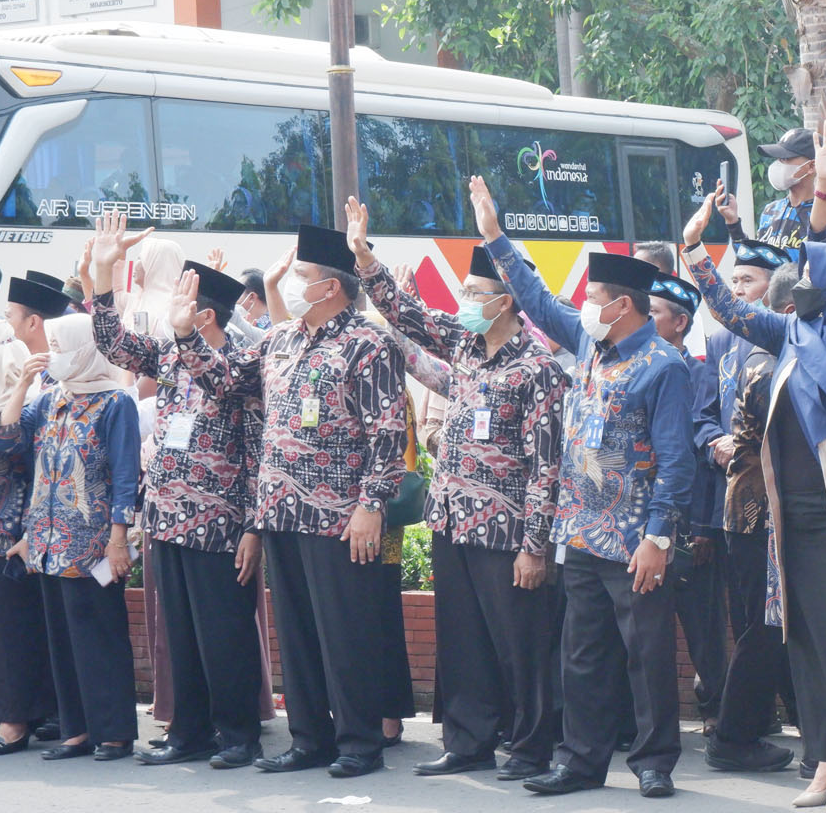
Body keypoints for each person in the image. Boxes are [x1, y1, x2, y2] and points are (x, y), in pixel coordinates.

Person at [469, 176, 695, 800]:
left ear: (621, 305)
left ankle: (654, 761)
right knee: (584, 654)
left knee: (645, 655)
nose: (584, 305)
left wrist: (658, 538)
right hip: (581, 532)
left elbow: (677, 462)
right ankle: (580, 759)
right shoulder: (593, 348)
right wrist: (495, 237)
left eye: (592, 295)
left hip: (634, 538)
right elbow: (539, 303)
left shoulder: (663, 367)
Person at [683, 191, 826, 812]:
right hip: (791, 516)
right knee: (804, 642)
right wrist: (695, 250)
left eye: (810, 273)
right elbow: (730, 308)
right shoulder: (794, 333)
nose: (799, 282)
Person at [171, 224, 408, 779]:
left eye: (302, 277)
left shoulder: (368, 344)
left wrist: (371, 505)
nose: (293, 285)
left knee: (344, 633)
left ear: (332, 288)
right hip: (282, 511)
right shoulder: (281, 339)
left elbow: (388, 433)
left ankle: (359, 743)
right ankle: (310, 740)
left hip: (338, 515)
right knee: (297, 635)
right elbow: (227, 382)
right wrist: (186, 339)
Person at [344, 202, 569, 781]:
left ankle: (529, 747)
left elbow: (547, 466)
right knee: (463, 640)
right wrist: (365, 257)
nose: (465, 301)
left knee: (520, 644)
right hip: (453, 521)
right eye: (465, 291)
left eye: (475, 291)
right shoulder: (468, 349)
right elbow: (408, 314)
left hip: (507, 530)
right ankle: (469, 740)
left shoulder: (537, 367)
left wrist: (535, 545)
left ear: (506, 300)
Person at [85, 214, 266, 770]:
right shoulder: (168, 356)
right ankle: (189, 731)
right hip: (167, 517)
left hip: (219, 523)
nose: (170, 313)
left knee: (224, 632)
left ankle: (238, 734)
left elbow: (257, 449)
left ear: (204, 313)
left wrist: (255, 528)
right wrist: (102, 270)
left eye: (183, 303)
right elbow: (115, 343)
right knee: (181, 633)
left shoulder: (244, 362)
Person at [0, 314, 140, 761]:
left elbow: (124, 475)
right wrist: (22, 386)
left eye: (60, 345)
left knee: (99, 638)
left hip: (92, 541)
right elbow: (5, 441)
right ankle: (76, 731)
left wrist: (118, 539)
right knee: (62, 639)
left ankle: (113, 731)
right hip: (46, 540)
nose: (52, 352)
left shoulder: (115, 402)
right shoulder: (52, 397)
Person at [698, 243, 800, 775]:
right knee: (763, 627)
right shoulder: (767, 366)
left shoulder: (770, 358)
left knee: (769, 626)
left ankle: (748, 730)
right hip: (757, 511)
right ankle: (734, 735)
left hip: (757, 510)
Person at [0, 319, 54, 756]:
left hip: (2, 538)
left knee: (9, 632)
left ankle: (16, 718)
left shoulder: (25, 404)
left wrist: (20, 387)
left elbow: (7, 443)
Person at [647, 272, 729, 738]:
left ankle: (716, 709)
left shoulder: (697, 373)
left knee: (703, 624)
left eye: (655, 312)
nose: (648, 319)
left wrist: (701, 526)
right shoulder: (636, 367)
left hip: (688, 525)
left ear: (679, 323)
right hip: (644, 523)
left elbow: (699, 459)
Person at [723, 118, 826, 260]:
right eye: (778, 159)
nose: (779, 164)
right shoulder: (771, 211)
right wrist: (733, 223)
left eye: (786, 158)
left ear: (811, 166)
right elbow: (755, 264)